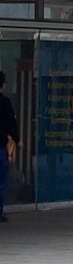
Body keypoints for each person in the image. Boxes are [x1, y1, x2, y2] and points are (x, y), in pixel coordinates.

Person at [0, 71, 16, 222]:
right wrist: (16, 139)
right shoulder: (4, 102)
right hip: (0, 147)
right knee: (1, 181)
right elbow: (11, 122)